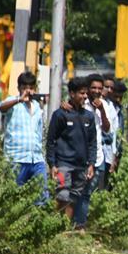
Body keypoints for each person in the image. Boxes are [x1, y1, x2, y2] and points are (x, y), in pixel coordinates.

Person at [46, 77, 97, 223]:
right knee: (62, 196)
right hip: (63, 165)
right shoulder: (60, 114)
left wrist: (91, 163)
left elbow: (92, 142)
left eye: (86, 93)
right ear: (72, 93)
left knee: (73, 198)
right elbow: (51, 141)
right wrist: (52, 164)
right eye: (81, 93)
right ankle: (53, 227)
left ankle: (64, 230)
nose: (85, 96)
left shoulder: (89, 116)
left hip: (81, 166)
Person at [70, 74, 111, 229]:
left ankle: (80, 225)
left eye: (100, 88)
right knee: (74, 192)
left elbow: (107, 129)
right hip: (79, 156)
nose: (97, 91)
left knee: (87, 194)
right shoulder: (81, 103)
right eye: (93, 87)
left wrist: (101, 110)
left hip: (98, 157)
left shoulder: (104, 105)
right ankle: (70, 224)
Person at [0, 71, 46, 197]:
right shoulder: (13, 102)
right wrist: (19, 99)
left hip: (36, 159)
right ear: (19, 88)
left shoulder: (37, 107)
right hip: (16, 158)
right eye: (24, 88)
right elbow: (2, 108)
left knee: (41, 196)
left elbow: (39, 131)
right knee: (14, 196)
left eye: (30, 88)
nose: (28, 91)